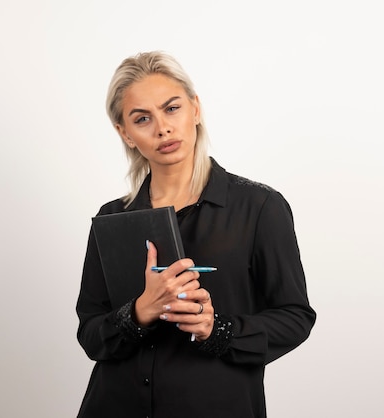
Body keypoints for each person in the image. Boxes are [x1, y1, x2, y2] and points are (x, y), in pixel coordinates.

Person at [76, 51, 316, 418]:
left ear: (196, 109)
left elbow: (295, 317)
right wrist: (140, 312)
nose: (162, 128)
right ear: (125, 133)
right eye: (142, 119)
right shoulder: (112, 218)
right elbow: (90, 333)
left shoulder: (260, 207)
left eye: (171, 109)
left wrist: (217, 329)